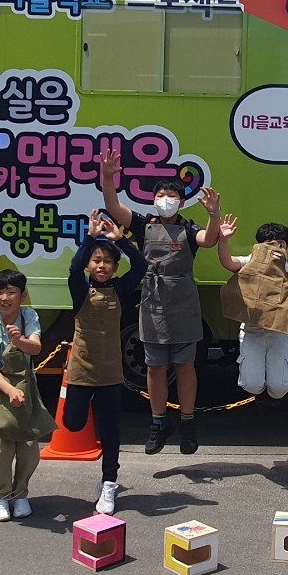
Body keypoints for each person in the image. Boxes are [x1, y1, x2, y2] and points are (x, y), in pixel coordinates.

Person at [100, 149, 221, 455]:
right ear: (153, 199)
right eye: (161, 195)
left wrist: (214, 214)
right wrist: (108, 177)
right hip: (153, 303)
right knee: (154, 367)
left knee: (185, 366)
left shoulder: (190, 229)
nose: (165, 199)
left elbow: (209, 240)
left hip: (184, 306)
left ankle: (188, 424)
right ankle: (158, 423)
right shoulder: (144, 224)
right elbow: (113, 206)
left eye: (172, 195)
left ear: (182, 201)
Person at [64, 210, 147, 514]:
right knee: (73, 423)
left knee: (110, 429)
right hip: (82, 367)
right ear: (89, 264)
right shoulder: (80, 288)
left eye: (108, 261)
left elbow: (141, 265)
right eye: (96, 261)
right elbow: (73, 269)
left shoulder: (121, 289)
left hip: (111, 371)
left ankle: (109, 482)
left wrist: (119, 240)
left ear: (115, 267)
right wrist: (89, 238)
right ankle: (107, 479)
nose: (101, 266)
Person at [216, 210, 288, 399]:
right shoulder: (249, 262)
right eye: (269, 244)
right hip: (252, 330)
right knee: (251, 384)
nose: (275, 248)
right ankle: (259, 400)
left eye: (281, 244)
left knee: (280, 388)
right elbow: (228, 262)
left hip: (281, 332)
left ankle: (273, 401)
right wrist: (223, 240)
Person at [0, 269, 43, 521]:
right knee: (0, 450)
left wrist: (19, 339)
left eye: (12, 292)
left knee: (29, 448)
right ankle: (0, 495)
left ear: (22, 296)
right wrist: (10, 390)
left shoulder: (29, 316)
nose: (5, 298)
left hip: (25, 388)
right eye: (0, 292)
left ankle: (20, 493)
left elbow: (35, 348)